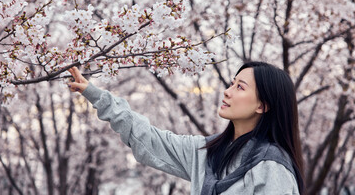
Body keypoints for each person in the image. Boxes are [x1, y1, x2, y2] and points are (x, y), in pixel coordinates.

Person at [68, 61, 306, 195]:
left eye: (240, 87)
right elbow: (148, 139)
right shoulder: (206, 152)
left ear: (263, 105)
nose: (227, 90)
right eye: (232, 83)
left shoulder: (272, 166)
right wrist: (95, 94)